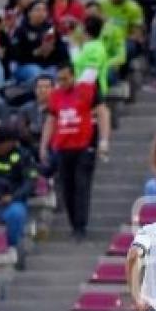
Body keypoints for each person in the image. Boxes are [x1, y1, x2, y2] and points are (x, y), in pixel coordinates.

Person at [39, 64, 110, 241]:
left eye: (65, 78)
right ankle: (73, 224)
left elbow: (102, 113)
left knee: (81, 185)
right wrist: (43, 145)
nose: (62, 82)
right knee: (67, 188)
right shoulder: (55, 95)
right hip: (63, 147)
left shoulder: (87, 90)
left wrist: (104, 140)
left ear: (73, 76)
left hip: (84, 146)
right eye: (59, 79)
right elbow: (51, 120)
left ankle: (80, 226)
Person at [0, 124, 35, 267]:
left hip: (12, 201)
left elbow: (29, 183)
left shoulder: (23, 155)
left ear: (9, 143)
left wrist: (13, 197)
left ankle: (11, 247)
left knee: (16, 214)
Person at [10, 0, 68, 85]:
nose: (41, 13)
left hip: (48, 66)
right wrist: (35, 52)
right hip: (26, 66)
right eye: (38, 10)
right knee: (39, 75)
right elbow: (15, 54)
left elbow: (63, 52)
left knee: (58, 76)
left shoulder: (51, 29)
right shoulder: (21, 30)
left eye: (44, 10)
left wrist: (52, 50)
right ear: (29, 13)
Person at [97, 0, 145, 76]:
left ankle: (118, 73)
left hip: (126, 41)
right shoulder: (100, 4)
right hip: (105, 39)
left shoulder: (133, 7)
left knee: (126, 48)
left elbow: (137, 35)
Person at [83, 1, 128, 87]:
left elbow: (121, 56)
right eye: (88, 16)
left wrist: (103, 64)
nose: (91, 18)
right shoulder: (83, 30)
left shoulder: (115, 30)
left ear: (101, 13)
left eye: (94, 14)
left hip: (107, 67)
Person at [70, 15, 109, 95]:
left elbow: (90, 75)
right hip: (81, 89)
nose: (77, 30)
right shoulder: (86, 46)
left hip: (92, 92)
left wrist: (74, 90)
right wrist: (74, 46)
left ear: (85, 31)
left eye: (80, 27)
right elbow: (77, 61)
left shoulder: (96, 48)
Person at [18, 75, 54, 163]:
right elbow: (21, 129)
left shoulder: (57, 108)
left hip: (51, 147)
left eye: (47, 87)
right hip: (29, 146)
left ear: (53, 89)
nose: (43, 90)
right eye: (39, 87)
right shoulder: (26, 108)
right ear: (35, 89)